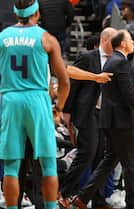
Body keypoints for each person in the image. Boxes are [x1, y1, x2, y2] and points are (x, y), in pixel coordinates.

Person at [0, 1, 70, 209]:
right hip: (37, 100)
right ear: (37, 12)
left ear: (14, 12)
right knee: (49, 164)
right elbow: (64, 81)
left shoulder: (2, 38)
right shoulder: (46, 38)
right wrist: (58, 107)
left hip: (11, 99)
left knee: (11, 167)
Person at [72, 29, 134, 209]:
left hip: (108, 120)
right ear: (123, 44)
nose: (133, 42)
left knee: (108, 161)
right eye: (130, 40)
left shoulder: (110, 61)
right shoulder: (122, 63)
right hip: (122, 122)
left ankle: (82, 197)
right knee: (132, 164)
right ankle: (133, 205)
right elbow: (128, 94)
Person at [59, 27, 117, 209]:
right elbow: (72, 83)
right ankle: (64, 193)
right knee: (87, 152)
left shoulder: (117, 60)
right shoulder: (87, 57)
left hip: (105, 113)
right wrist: (66, 111)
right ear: (105, 40)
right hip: (87, 112)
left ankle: (95, 199)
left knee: (102, 156)